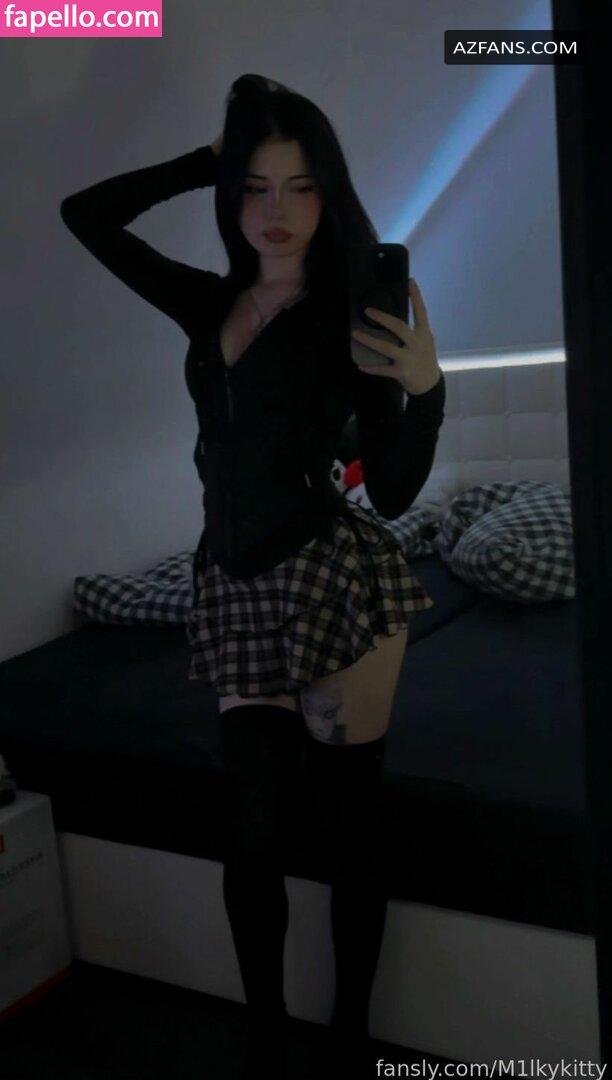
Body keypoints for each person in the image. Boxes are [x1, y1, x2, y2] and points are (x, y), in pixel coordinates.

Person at [60, 73, 445, 1079]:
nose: (277, 210)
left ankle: (351, 1036)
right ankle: (266, 1036)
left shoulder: (350, 315)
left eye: (301, 186)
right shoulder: (210, 300)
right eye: (256, 187)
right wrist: (206, 162)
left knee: (351, 828)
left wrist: (428, 390)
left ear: (331, 194)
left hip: (330, 579)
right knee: (255, 834)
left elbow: (394, 491)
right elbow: (86, 215)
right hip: (231, 582)